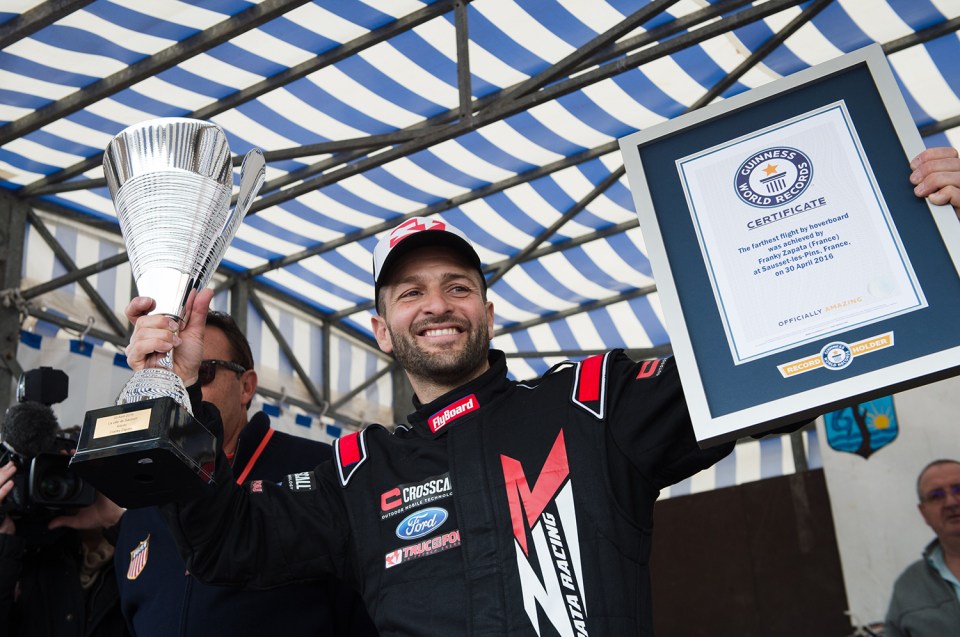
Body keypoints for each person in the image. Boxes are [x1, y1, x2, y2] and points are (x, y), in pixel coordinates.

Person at [122, 147, 960, 636]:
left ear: (487, 308)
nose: (437, 305)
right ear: (383, 330)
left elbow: (775, 361)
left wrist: (920, 227)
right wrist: (185, 383)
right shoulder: (355, 471)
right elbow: (227, 544)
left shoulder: (596, 403)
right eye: (410, 294)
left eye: (457, 285)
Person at [67, 311, 377, 637]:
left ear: (246, 387)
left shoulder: (322, 468)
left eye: (201, 371)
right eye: (165, 373)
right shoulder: (141, 506)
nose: (178, 387)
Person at [0, 433, 129, 637]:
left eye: (70, 476)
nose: (58, 486)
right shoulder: (27, 560)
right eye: (48, 478)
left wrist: (115, 521)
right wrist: (4, 541)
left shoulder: (129, 551)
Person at [885, 458, 960, 636]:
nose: (951, 502)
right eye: (936, 496)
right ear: (924, 512)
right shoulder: (909, 586)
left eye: (959, 489)